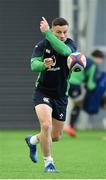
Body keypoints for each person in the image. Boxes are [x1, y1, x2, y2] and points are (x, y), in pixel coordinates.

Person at [25, 17, 78, 172]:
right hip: (43, 92)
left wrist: (47, 33)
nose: (62, 35)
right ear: (53, 31)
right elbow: (33, 65)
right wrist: (43, 65)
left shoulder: (70, 44)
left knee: (55, 136)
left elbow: (65, 52)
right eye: (58, 32)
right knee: (46, 126)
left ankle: (33, 140)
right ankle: (49, 163)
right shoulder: (42, 45)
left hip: (61, 95)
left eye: (65, 32)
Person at [64, 50, 105, 137]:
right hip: (74, 85)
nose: (100, 61)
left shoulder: (83, 59)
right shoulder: (93, 65)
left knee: (61, 102)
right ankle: (70, 126)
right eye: (101, 59)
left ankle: (66, 126)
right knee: (78, 104)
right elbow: (90, 85)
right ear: (98, 58)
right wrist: (98, 89)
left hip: (64, 82)